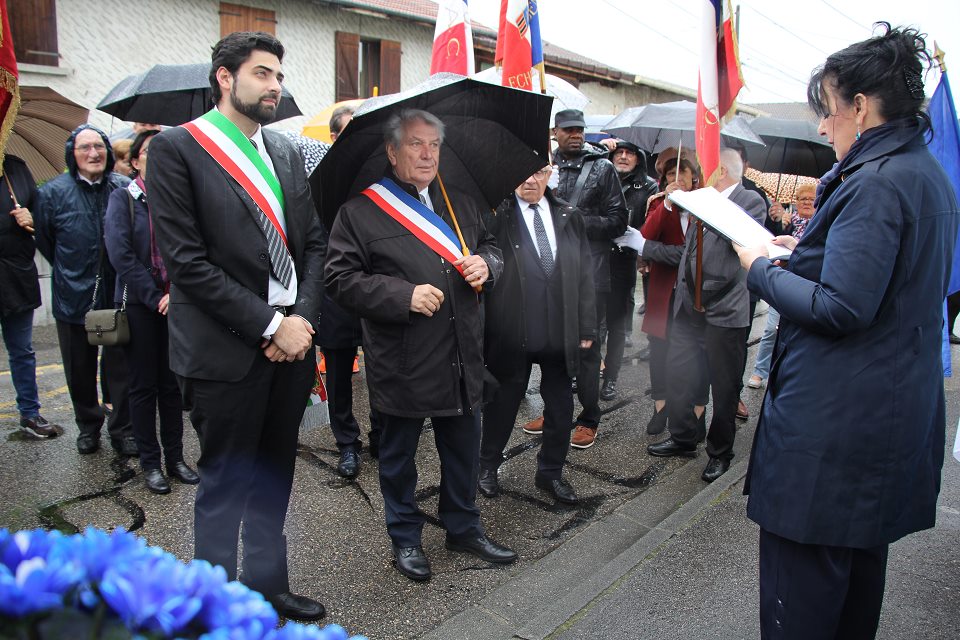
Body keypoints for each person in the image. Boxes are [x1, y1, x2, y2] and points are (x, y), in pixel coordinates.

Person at [734, 24, 958, 638]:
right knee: (853, 606)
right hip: (882, 426)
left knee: (801, 610)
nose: (823, 127)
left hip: (830, 443)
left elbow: (841, 307)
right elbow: (886, 279)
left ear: (860, 106)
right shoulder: (922, 172)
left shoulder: (876, 182)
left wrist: (760, 268)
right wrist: (800, 251)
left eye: (828, 111)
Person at [147, 31, 327, 620]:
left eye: (279, 75)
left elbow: (315, 246)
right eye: (262, 74)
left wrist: (300, 321)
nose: (275, 86)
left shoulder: (285, 150)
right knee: (224, 487)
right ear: (225, 77)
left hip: (291, 347)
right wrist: (270, 326)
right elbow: (188, 265)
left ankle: (267, 584)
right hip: (226, 353)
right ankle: (214, 606)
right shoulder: (179, 149)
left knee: (275, 476)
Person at [325, 108, 516, 582]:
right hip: (403, 359)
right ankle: (406, 538)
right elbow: (340, 279)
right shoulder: (360, 212)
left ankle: (463, 527)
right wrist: (401, 295)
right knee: (397, 459)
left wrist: (488, 265)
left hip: (462, 354)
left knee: (462, 450)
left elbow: (494, 246)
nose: (427, 153)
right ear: (392, 152)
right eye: (415, 143)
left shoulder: (462, 202)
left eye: (433, 144)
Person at [646, 148, 765, 483]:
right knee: (679, 373)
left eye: (707, 168)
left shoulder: (749, 201)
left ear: (722, 170)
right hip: (688, 308)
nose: (699, 173)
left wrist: (706, 204)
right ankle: (683, 437)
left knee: (724, 387)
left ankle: (719, 452)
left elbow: (737, 241)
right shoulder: (701, 200)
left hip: (724, 310)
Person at [479, 165, 596, 504]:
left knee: (560, 406)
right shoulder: (498, 215)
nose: (530, 180)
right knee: (504, 402)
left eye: (539, 172)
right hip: (514, 328)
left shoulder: (568, 215)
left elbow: (585, 271)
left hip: (560, 329)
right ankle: (486, 465)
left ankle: (551, 473)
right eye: (523, 173)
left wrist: (586, 324)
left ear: (551, 174)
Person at [524, 109, 626, 450]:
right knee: (552, 349)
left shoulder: (603, 167)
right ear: (556, 132)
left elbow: (618, 221)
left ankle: (589, 417)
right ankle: (556, 412)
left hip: (589, 274)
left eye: (579, 129)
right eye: (568, 129)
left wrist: (574, 220)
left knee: (584, 349)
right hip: (548, 275)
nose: (575, 134)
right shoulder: (541, 166)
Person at [104, 129, 199, 495]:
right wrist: (155, 296)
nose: (156, 157)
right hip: (142, 307)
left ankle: (175, 459)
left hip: (176, 303)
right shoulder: (122, 199)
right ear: (135, 160)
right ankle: (150, 464)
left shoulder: (177, 198)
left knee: (172, 386)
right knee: (143, 388)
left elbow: (190, 248)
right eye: (148, 151)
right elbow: (121, 256)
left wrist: (175, 292)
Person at [35, 124, 136, 457]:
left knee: (120, 368)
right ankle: (88, 426)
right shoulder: (52, 193)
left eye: (99, 146)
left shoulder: (123, 187)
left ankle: (122, 429)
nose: (93, 154)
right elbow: (47, 242)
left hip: (117, 296)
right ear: (72, 154)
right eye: (85, 148)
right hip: (74, 297)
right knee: (79, 369)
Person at [625, 158, 701, 436]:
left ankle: (694, 408)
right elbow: (644, 239)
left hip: (693, 294)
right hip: (661, 290)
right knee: (659, 349)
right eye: (671, 173)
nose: (677, 178)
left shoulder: (704, 205)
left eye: (683, 173)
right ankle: (660, 404)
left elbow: (688, 255)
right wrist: (667, 205)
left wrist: (656, 250)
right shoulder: (659, 204)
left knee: (692, 352)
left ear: (694, 178)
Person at [1, 155, 59, 438]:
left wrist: (31, 217)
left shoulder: (14, 167)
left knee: (22, 350)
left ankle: (30, 413)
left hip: (16, 274)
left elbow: (41, 216)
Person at [601, 140, 657, 401]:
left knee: (616, 326)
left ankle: (610, 377)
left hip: (624, 263)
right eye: (619, 152)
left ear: (638, 158)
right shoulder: (599, 174)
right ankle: (587, 373)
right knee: (590, 323)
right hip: (595, 260)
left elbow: (652, 225)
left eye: (630, 153)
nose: (623, 157)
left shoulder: (648, 186)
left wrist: (642, 247)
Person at [748, 182, 815, 389]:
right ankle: (760, 371)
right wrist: (778, 220)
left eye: (811, 200)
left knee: (795, 337)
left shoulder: (819, 226)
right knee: (771, 330)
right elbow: (770, 237)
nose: (806, 203)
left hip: (805, 285)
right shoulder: (788, 221)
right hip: (783, 281)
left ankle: (784, 377)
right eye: (802, 199)